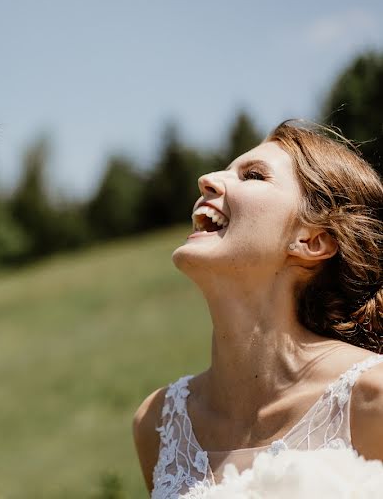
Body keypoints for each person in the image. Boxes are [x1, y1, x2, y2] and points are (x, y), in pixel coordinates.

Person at [132, 121, 383, 498]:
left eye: (253, 176)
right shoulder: (158, 423)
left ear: (311, 240)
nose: (207, 179)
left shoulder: (373, 400)